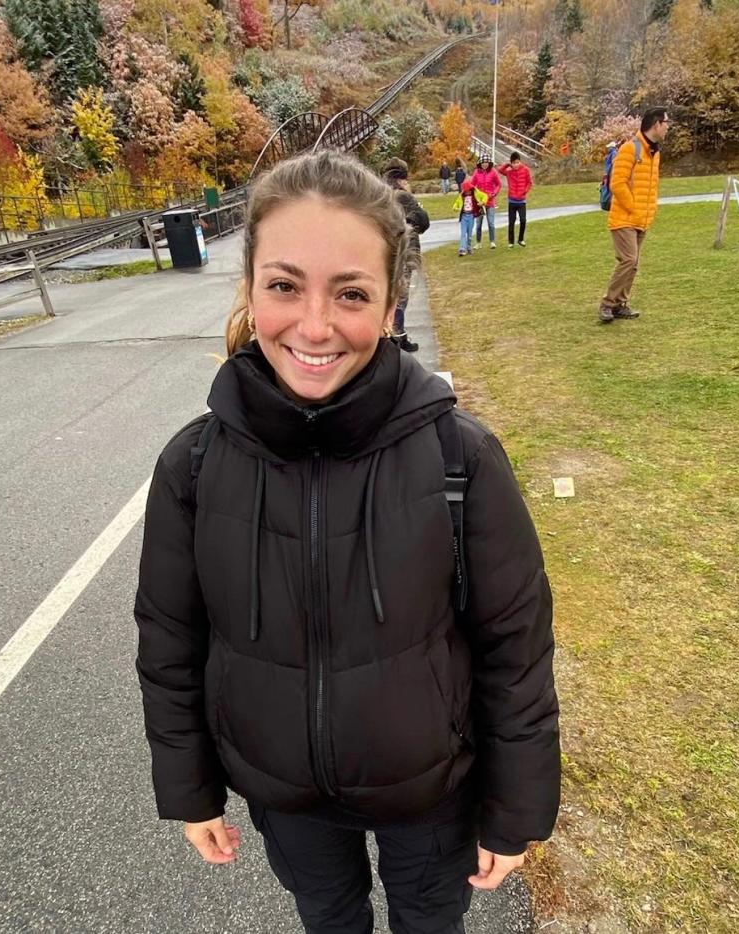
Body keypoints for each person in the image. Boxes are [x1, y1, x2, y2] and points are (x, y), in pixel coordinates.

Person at [135, 149, 560, 934]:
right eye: (285, 286)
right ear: (251, 289)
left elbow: (515, 647)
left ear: (394, 302)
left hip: (429, 795)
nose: (316, 325)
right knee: (328, 918)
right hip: (286, 796)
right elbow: (170, 641)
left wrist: (516, 807)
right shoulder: (194, 467)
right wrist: (188, 786)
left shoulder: (459, 459)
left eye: (351, 293)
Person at [599, 108, 668, 324]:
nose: (668, 127)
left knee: (633, 262)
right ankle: (608, 304)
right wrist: (634, 207)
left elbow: (652, 185)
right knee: (628, 259)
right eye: (666, 122)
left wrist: (650, 209)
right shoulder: (630, 149)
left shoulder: (654, 153)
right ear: (656, 124)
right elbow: (617, 183)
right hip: (624, 218)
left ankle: (620, 304)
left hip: (642, 219)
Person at [381, 158, 429, 353]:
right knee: (400, 296)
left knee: (388, 293)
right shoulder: (403, 196)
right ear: (402, 177)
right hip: (404, 251)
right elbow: (424, 221)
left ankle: (392, 334)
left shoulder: (379, 195)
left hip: (384, 251)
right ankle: (397, 337)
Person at [497, 152, 533, 248]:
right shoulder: (509, 172)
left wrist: (524, 191)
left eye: (517, 162)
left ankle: (521, 239)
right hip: (512, 201)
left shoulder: (526, 170)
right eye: (514, 163)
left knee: (523, 220)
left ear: (520, 162)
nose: (516, 165)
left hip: (521, 201)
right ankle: (511, 241)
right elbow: (499, 170)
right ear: (511, 163)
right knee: (511, 222)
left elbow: (529, 183)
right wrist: (507, 164)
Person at [470, 157, 501, 250]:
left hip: (490, 201)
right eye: (483, 163)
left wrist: (494, 193)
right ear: (480, 164)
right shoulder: (476, 172)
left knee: (491, 223)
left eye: (487, 162)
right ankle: (478, 243)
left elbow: (498, 184)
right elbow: (472, 185)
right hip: (479, 203)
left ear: (489, 163)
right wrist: (475, 195)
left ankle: (492, 242)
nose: (485, 164)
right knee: (478, 223)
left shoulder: (493, 172)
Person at [452, 178, 487, 257]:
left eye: (469, 190)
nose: (468, 192)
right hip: (464, 216)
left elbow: (485, 196)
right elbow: (456, 203)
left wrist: (482, 202)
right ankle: (462, 249)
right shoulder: (462, 195)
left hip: (471, 216)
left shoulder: (476, 192)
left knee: (470, 234)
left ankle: (468, 247)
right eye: (466, 191)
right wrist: (455, 207)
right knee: (463, 233)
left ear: (471, 189)